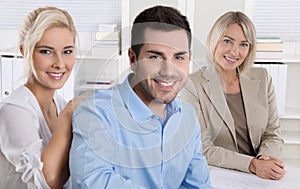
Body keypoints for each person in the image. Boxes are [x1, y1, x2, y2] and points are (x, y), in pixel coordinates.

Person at [69, 5, 212, 188]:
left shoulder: (188, 117)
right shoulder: (96, 113)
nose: (168, 72)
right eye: (155, 57)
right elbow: (90, 182)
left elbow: (197, 185)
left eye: (179, 57)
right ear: (133, 59)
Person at [180, 11, 286, 180]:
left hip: (261, 177)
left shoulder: (262, 78)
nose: (235, 52)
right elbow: (201, 146)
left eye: (244, 44)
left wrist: (263, 160)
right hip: (220, 176)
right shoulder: (191, 85)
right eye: (227, 41)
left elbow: (272, 133)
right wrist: (251, 164)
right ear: (214, 41)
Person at [0, 6, 84, 189]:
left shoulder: (61, 106)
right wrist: (70, 112)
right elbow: (46, 181)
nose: (59, 63)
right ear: (24, 51)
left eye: (67, 51)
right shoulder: (13, 110)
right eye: (46, 51)